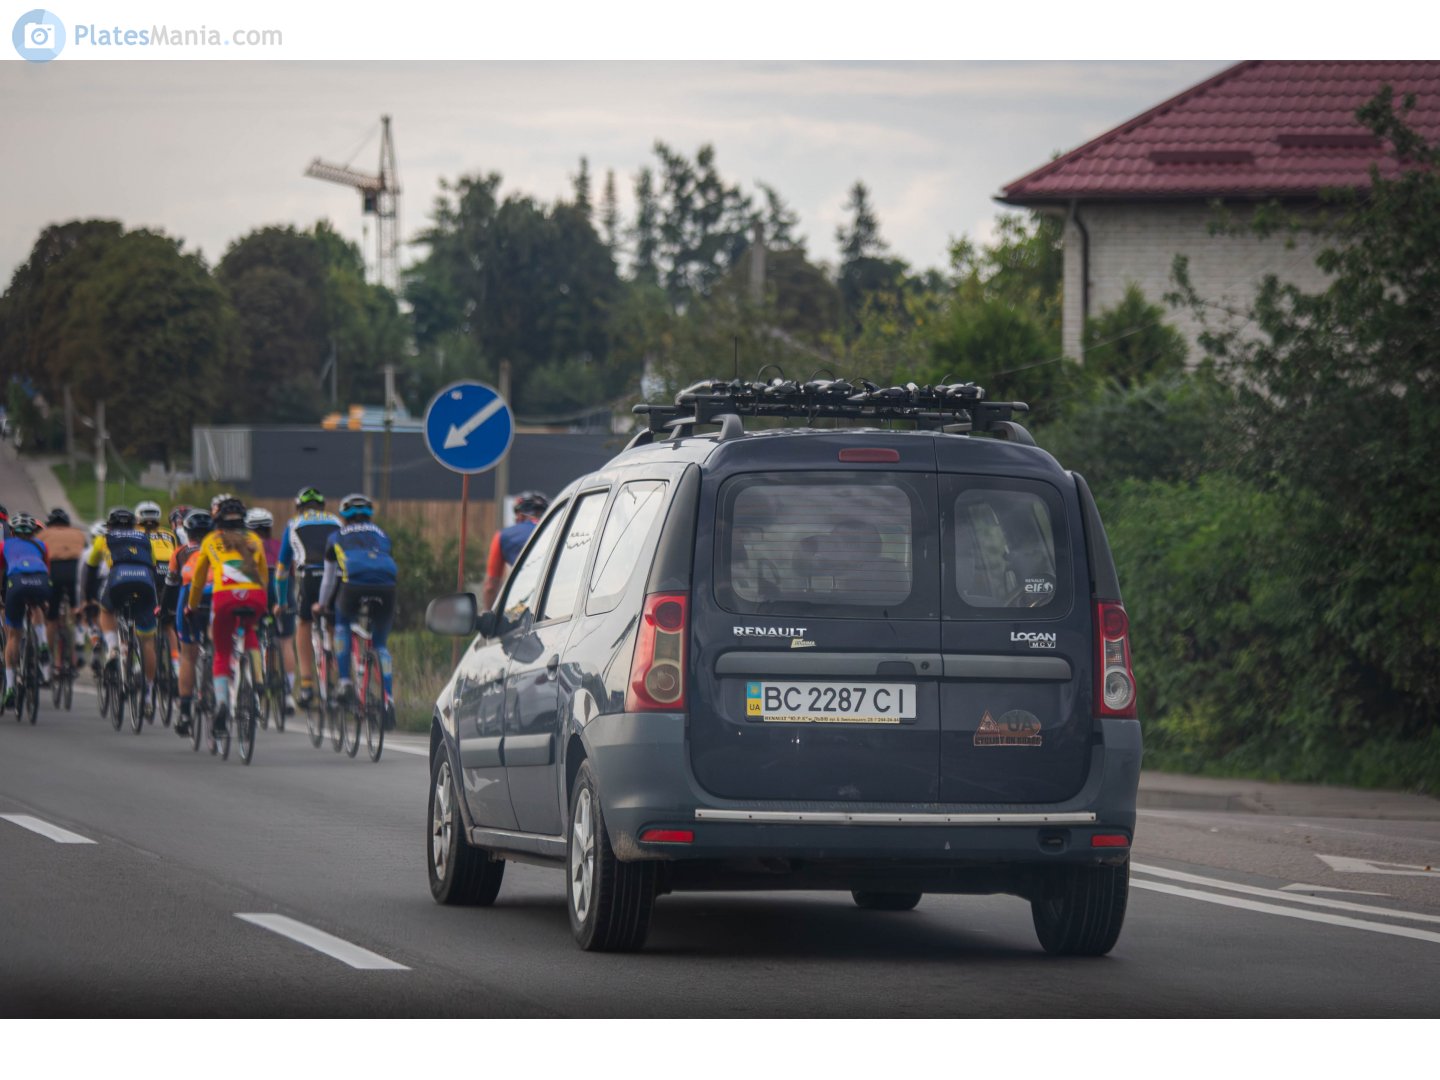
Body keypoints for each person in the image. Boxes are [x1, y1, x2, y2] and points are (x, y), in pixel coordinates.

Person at [187, 497, 267, 744]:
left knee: (221, 651)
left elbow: (199, 579)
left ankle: (222, 703)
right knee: (250, 629)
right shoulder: (254, 540)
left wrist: (191, 605)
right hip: (255, 595)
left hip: (224, 598)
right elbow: (264, 575)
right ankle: (257, 677)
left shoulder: (210, 541)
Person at [314, 493, 397, 725]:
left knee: (341, 624)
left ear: (344, 516)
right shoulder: (383, 535)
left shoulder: (335, 537)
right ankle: (389, 700)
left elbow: (329, 581)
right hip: (387, 588)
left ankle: (345, 682)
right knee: (380, 644)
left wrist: (321, 605)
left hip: (354, 586)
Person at [83, 507, 161, 714]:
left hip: (119, 580)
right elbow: (153, 567)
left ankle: (113, 649)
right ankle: (148, 696)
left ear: (110, 525)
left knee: (106, 610)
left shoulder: (104, 538)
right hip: (145, 582)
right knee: (147, 641)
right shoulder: (145, 537)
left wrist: (88, 598)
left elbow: (90, 569)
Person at [276, 486, 340, 708]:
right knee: (333, 624)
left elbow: (282, 568)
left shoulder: (294, 522)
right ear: (322, 506)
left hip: (310, 576)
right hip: (336, 576)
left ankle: (306, 685)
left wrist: (282, 600)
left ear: (299, 507)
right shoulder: (335, 520)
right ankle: (334, 685)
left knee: (303, 623)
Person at [160, 509, 213, 737]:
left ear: (187, 532)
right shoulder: (218, 548)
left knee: (188, 656)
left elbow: (171, 587)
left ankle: (184, 711)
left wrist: (166, 612)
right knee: (219, 647)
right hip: (216, 597)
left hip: (190, 599)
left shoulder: (180, 552)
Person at [1, 513, 53, 708]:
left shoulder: (4, 545)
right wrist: (45, 601)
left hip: (17, 582)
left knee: (13, 636)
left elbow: (1, 574)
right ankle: (42, 643)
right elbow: (46, 570)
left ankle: (10, 688)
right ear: (33, 532)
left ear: (11, 531)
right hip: (40, 582)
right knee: (36, 606)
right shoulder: (42, 546)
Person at [247, 506, 295, 715]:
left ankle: (256, 693)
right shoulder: (278, 544)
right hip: (282, 585)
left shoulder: (247, 546)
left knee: (254, 638)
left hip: (258, 585)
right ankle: (288, 695)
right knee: (286, 641)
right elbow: (291, 570)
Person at [39, 508, 87, 685]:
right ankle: (78, 647)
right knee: (75, 611)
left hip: (55, 571)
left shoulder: (44, 534)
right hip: (75, 570)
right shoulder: (78, 533)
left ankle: (49, 663)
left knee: (51, 618)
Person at [482, 491, 549, 609]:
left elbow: (491, 586)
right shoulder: (560, 529)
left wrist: (487, 616)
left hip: (524, 603)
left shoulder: (503, 536)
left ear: (520, 515)